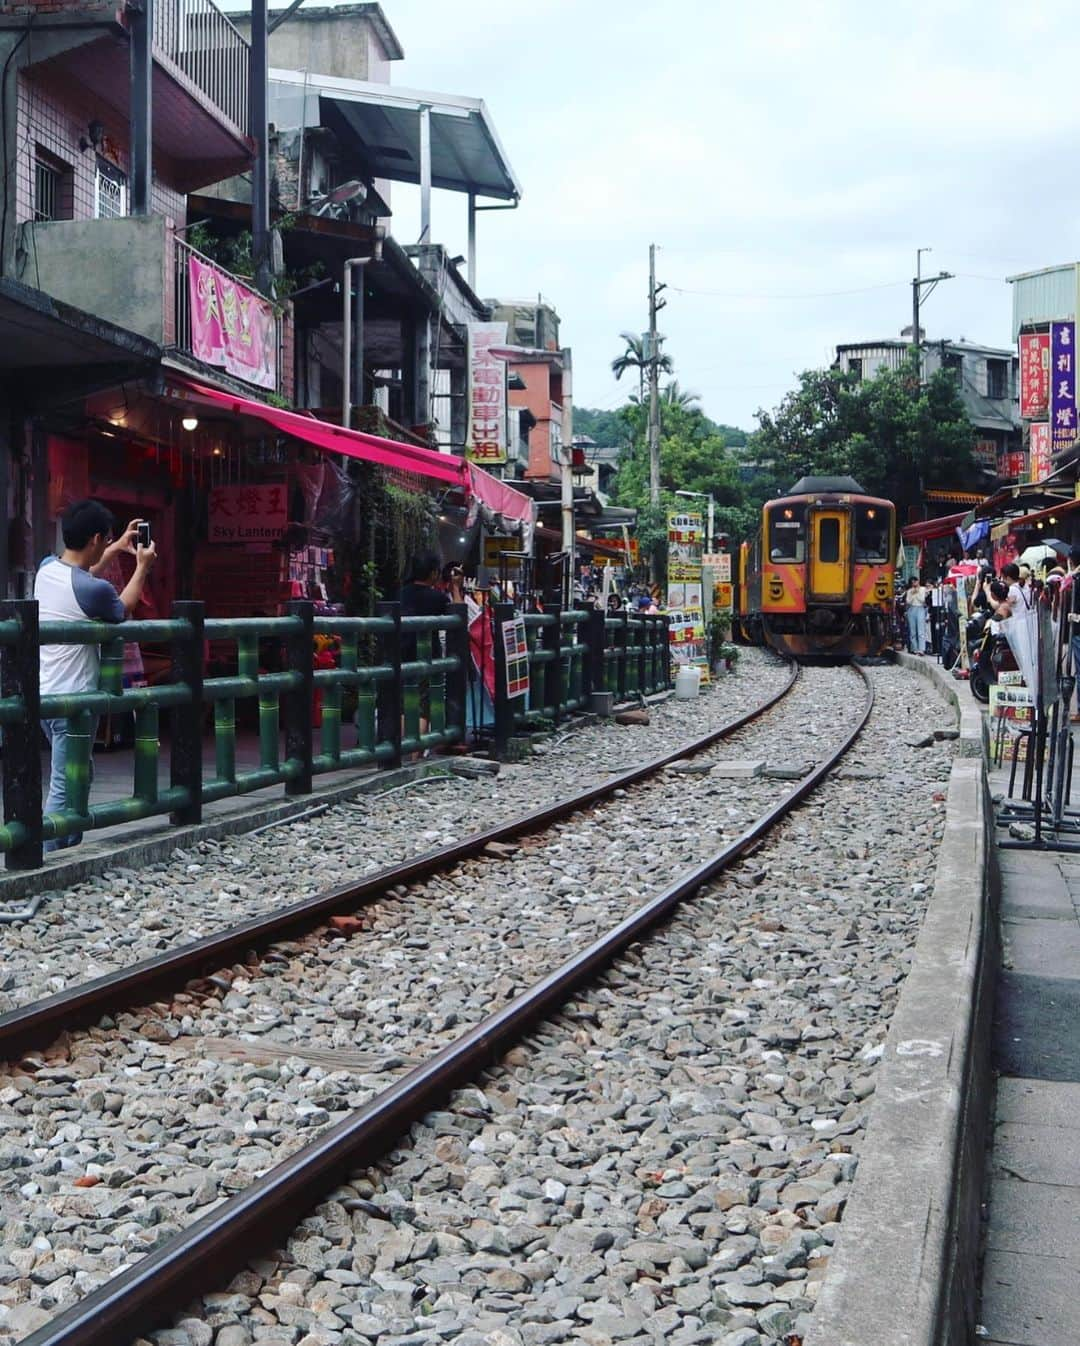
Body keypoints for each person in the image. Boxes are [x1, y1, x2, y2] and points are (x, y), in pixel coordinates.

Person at [36, 500, 157, 849]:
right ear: (94, 539)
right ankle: (48, 852)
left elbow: (83, 579)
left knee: (79, 773)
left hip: (47, 690)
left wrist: (117, 546)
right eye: (105, 540)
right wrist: (142, 567)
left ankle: (69, 841)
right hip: (74, 699)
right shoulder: (95, 591)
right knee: (65, 779)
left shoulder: (47, 568)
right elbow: (122, 608)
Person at [399, 552, 451, 735]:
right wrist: (457, 588)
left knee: (404, 705)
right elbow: (460, 617)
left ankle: (402, 751)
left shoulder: (399, 594)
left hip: (399, 655)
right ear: (433, 573)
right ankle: (416, 756)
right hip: (426, 657)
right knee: (422, 707)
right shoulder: (437, 598)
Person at [905, 577, 929, 654]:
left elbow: (922, 600)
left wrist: (917, 593)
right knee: (913, 630)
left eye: (915, 581)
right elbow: (908, 601)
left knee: (921, 629)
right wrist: (912, 594)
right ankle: (914, 648)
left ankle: (922, 649)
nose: (914, 583)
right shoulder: (909, 591)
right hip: (911, 609)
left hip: (920, 608)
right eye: (912, 582)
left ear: (918, 581)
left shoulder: (923, 589)